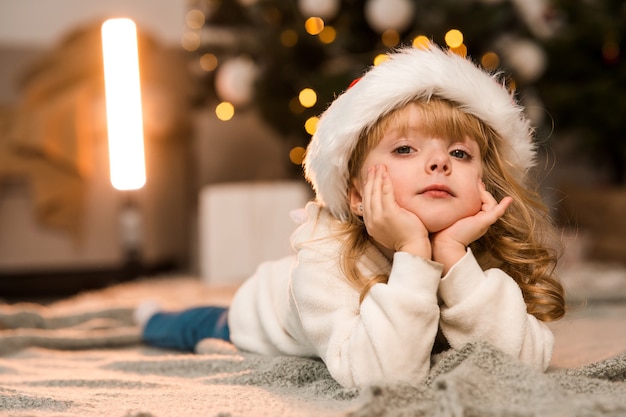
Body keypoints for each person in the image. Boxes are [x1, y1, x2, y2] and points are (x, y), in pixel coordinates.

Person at [137, 44, 565, 388]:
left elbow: (519, 363)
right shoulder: (326, 254)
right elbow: (386, 378)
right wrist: (414, 251)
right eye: (404, 149)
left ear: (483, 184)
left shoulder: (477, 245)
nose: (439, 163)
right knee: (200, 325)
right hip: (260, 309)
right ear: (356, 193)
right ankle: (154, 317)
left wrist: (452, 255)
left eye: (459, 153)